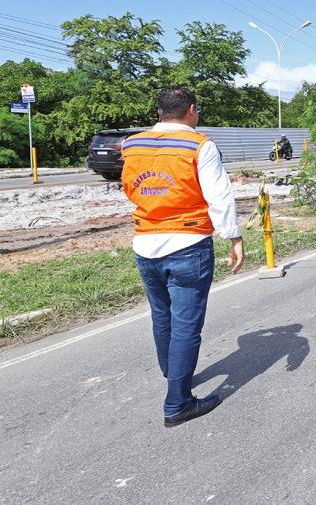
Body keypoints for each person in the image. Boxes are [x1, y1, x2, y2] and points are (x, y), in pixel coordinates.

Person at [121, 87, 245, 428]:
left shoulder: (132, 144)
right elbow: (219, 196)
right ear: (191, 110)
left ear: (160, 110)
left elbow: (130, 187)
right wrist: (234, 237)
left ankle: (173, 373)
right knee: (187, 325)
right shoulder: (199, 145)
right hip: (188, 244)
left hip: (145, 244)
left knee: (162, 316)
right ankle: (178, 403)